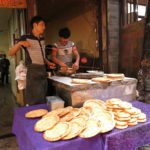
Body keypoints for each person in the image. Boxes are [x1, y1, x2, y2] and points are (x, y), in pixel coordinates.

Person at [8, 16, 55, 106]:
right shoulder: (25, 37)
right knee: (34, 97)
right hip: (33, 70)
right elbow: (11, 53)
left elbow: (43, 55)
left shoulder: (42, 39)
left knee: (43, 95)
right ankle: (34, 116)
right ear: (35, 25)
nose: (44, 27)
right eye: (42, 25)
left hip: (43, 70)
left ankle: (42, 116)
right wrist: (20, 43)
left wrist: (48, 63)